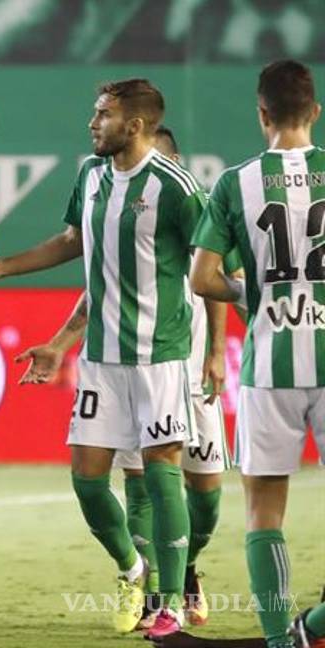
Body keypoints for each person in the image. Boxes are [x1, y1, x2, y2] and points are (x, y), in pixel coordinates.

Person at [0, 78, 212, 638]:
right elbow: (72, 242)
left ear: (135, 125)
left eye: (104, 114)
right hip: (100, 359)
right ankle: (132, 567)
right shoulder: (91, 176)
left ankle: (168, 602)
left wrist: (214, 348)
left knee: (164, 479)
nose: (92, 123)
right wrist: (0, 268)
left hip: (159, 358)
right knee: (88, 481)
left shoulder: (176, 187)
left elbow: (213, 263)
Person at [15, 125, 233, 631]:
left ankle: (187, 568)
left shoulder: (181, 200)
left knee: (205, 500)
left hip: (190, 369)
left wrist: (217, 353)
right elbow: (103, 290)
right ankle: (154, 590)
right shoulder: (108, 193)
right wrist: (61, 343)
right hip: (131, 365)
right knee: (141, 485)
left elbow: (220, 283)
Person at [189, 59, 325, 648]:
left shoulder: (234, 182)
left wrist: (254, 292)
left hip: (270, 366)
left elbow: (201, 277)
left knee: (263, 513)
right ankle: (311, 628)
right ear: (315, 111)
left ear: (262, 114)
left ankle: (280, 639)